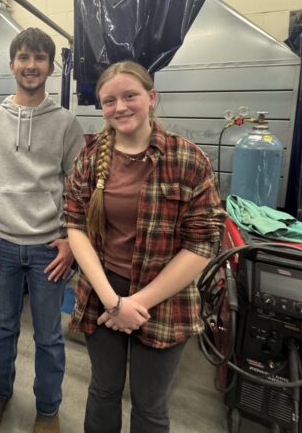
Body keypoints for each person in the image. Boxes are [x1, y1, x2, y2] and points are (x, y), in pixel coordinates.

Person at [64, 61, 224, 433]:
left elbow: (202, 242)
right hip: (104, 293)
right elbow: (75, 226)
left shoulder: (187, 160)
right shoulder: (89, 159)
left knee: (150, 405)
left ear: (151, 98)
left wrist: (137, 304)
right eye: (109, 100)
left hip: (165, 299)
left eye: (130, 96)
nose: (120, 107)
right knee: (103, 390)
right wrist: (112, 302)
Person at [0, 27, 85, 433]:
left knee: (50, 337)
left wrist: (71, 239)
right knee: (2, 328)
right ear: (11, 64)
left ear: (51, 67)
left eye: (39, 58)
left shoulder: (67, 123)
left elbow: (78, 189)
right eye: (23, 57)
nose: (30, 65)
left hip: (47, 252)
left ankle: (48, 409)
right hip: (0, 245)